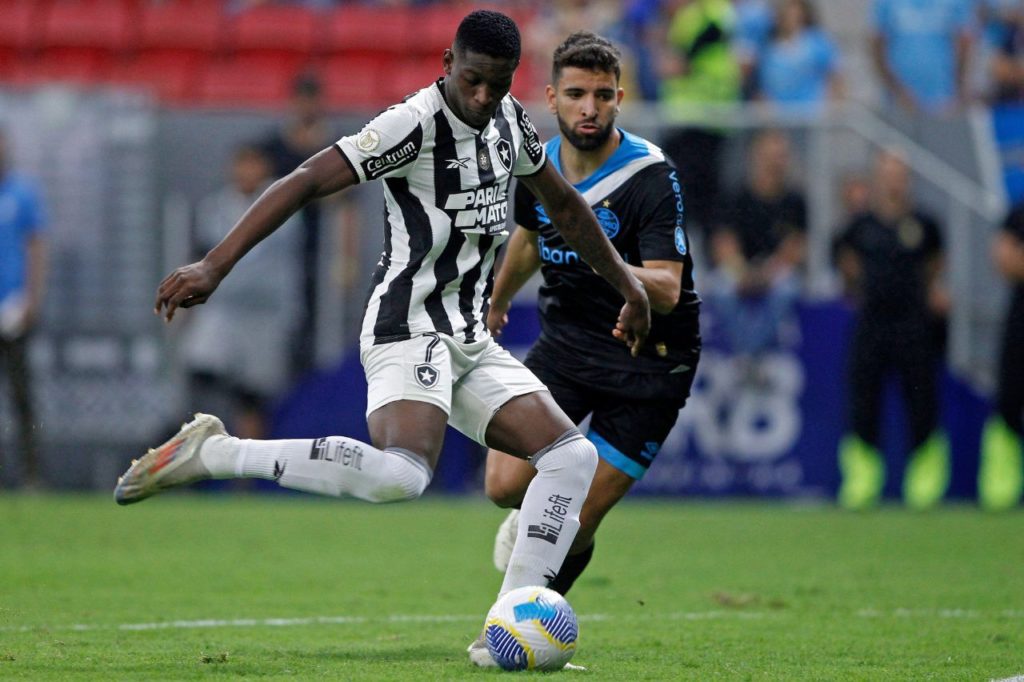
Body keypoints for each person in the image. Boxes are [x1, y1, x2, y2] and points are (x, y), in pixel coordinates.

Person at [113, 7, 651, 644]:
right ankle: (218, 452)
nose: (482, 97)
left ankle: (503, 633)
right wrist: (213, 264)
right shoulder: (413, 123)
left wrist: (630, 287)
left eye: (497, 84)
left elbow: (562, 205)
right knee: (402, 476)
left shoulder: (509, 122)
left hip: (469, 336)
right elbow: (307, 178)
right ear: (448, 65)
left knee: (571, 459)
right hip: (407, 327)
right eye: (472, 80)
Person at [468, 31, 699, 667]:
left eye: (602, 95)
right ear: (551, 98)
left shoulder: (650, 175)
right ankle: (532, 525)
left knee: (577, 515)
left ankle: (510, 628)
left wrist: (608, 261)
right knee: (501, 483)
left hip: (649, 360)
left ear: (620, 97)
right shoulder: (532, 163)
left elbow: (670, 288)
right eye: (575, 94)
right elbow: (527, 236)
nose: (588, 107)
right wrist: (495, 300)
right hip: (567, 343)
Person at [833, 149, 950, 510]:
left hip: (913, 323)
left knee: (921, 400)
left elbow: (935, 265)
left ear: (907, 179)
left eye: (900, 173)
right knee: (864, 400)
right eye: (887, 173)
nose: (893, 180)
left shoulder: (925, 224)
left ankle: (924, 483)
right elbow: (844, 261)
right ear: (877, 178)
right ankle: (862, 480)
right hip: (872, 321)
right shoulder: (860, 225)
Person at [179, 143, 302, 440]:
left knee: (253, 398)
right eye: (241, 164)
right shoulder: (214, 208)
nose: (247, 172)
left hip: (264, 316)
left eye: (253, 164)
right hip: (222, 311)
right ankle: (199, 448)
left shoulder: (282, 208)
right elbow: (198, 258)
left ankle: (245, 477)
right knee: (200, 372)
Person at [259, 72, 335, 375]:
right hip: (278, 248)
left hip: (317, 248)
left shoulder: (335, 147)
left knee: (312, 325)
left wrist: (347, 258)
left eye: (312, 101)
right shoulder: (273, 147)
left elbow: (345, 206)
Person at [708, 129, 806, 361]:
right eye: (770, 155)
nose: (775, 162)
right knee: (721, 288)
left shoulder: (795, 200)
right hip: (740, 268)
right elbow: (724, 243)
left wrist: (766, 275)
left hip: (774, 270)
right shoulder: (735, 196)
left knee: (787, 288)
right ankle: (751, 355)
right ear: (755, 156)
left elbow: (795, 248)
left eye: (780, 155)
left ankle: (747, 355)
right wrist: (743, 274)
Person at [0, 129, 48, 488]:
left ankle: (32, 476)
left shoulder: (22, 192)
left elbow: (36, 246)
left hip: (13, 307)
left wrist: (32, 298)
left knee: (21, 396)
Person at [977, 202, 1024, 510]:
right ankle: (1000, 491)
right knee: (1009, 397)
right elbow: (1004, 260)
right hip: (1021, 312)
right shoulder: (1017, 214)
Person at [870, 0, 975, 114]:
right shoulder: (886, 3)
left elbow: (965, 43)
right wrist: (897, 90)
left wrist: (959, 89)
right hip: (899, 100)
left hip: (943, 97)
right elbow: (877, 46)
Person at [755, 0, 843, 111]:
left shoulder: (818, 43)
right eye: (784, 10)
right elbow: (763, 88)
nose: (788, 15)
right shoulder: (768, 49)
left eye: (792, 10)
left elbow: (836, 78)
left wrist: (834, 110)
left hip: (811, 116)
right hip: (780, 119)